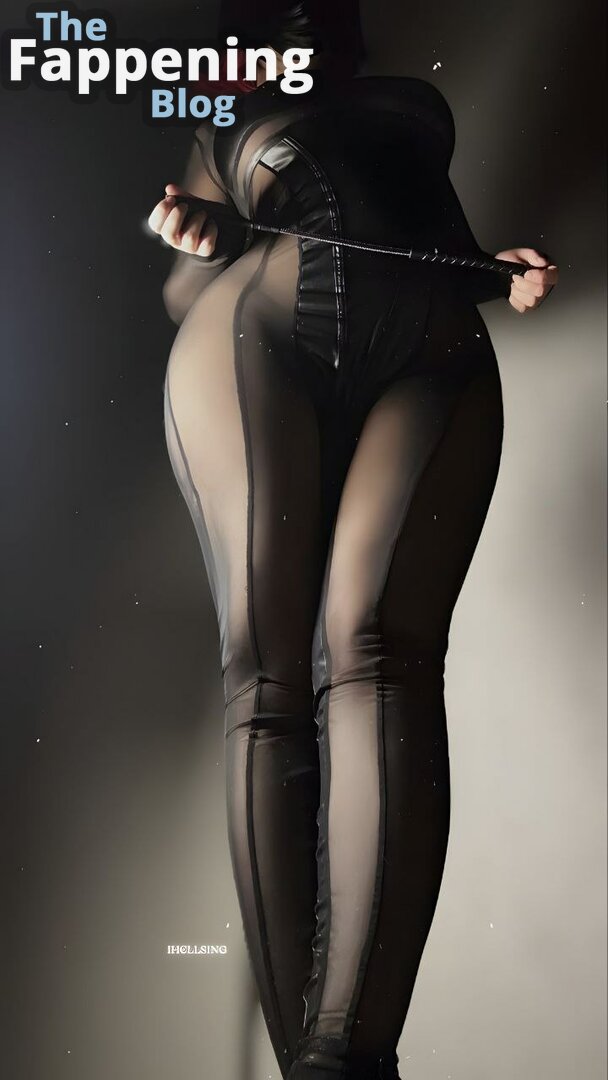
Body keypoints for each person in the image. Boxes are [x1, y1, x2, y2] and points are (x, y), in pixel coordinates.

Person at [148, 3, 558, 1077]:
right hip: (262, 336)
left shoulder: (407, 104)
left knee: (383, 656)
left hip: (431, 345)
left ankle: (343, 1055)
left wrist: (497, 269)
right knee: (270, 677)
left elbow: (431, 235)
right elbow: (182, 287)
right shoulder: (220, 120)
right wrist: (198, 238)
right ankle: (322, 1065)